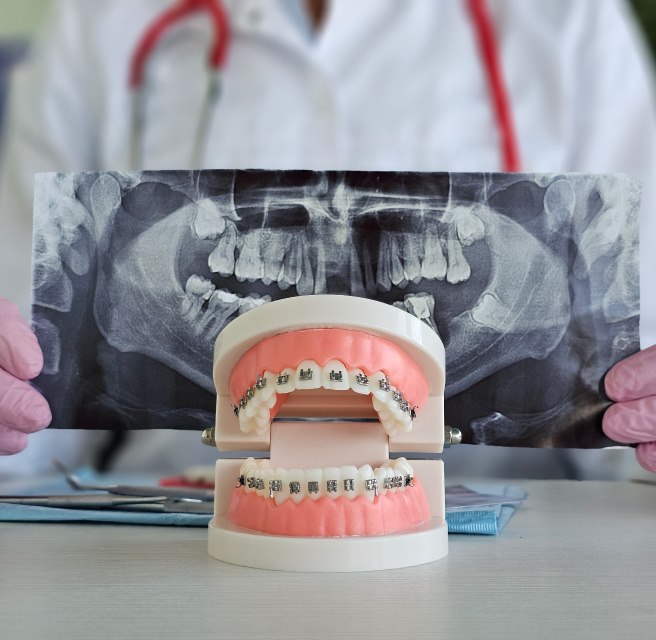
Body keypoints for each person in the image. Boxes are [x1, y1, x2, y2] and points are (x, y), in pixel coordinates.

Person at [0, 0, 655, 476]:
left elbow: (629, 364)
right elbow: (38, 368)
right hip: (179, 527)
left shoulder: (571, 21)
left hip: (530, 554)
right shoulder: (101, 22)